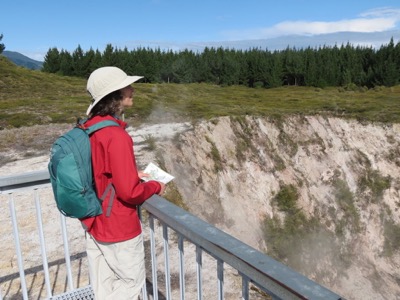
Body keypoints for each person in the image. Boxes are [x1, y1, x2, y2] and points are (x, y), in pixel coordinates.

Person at [81, 66, 165, 300]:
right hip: (117, 226)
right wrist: (156, 186)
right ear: (115, 93)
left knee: (103, 285)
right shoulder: (116, 135)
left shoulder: (90, 126)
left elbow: (101, 169)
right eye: (127, 86)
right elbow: (130, 192)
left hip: (93, 220)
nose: (132, 90)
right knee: (130, 284)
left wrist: (129, 172)